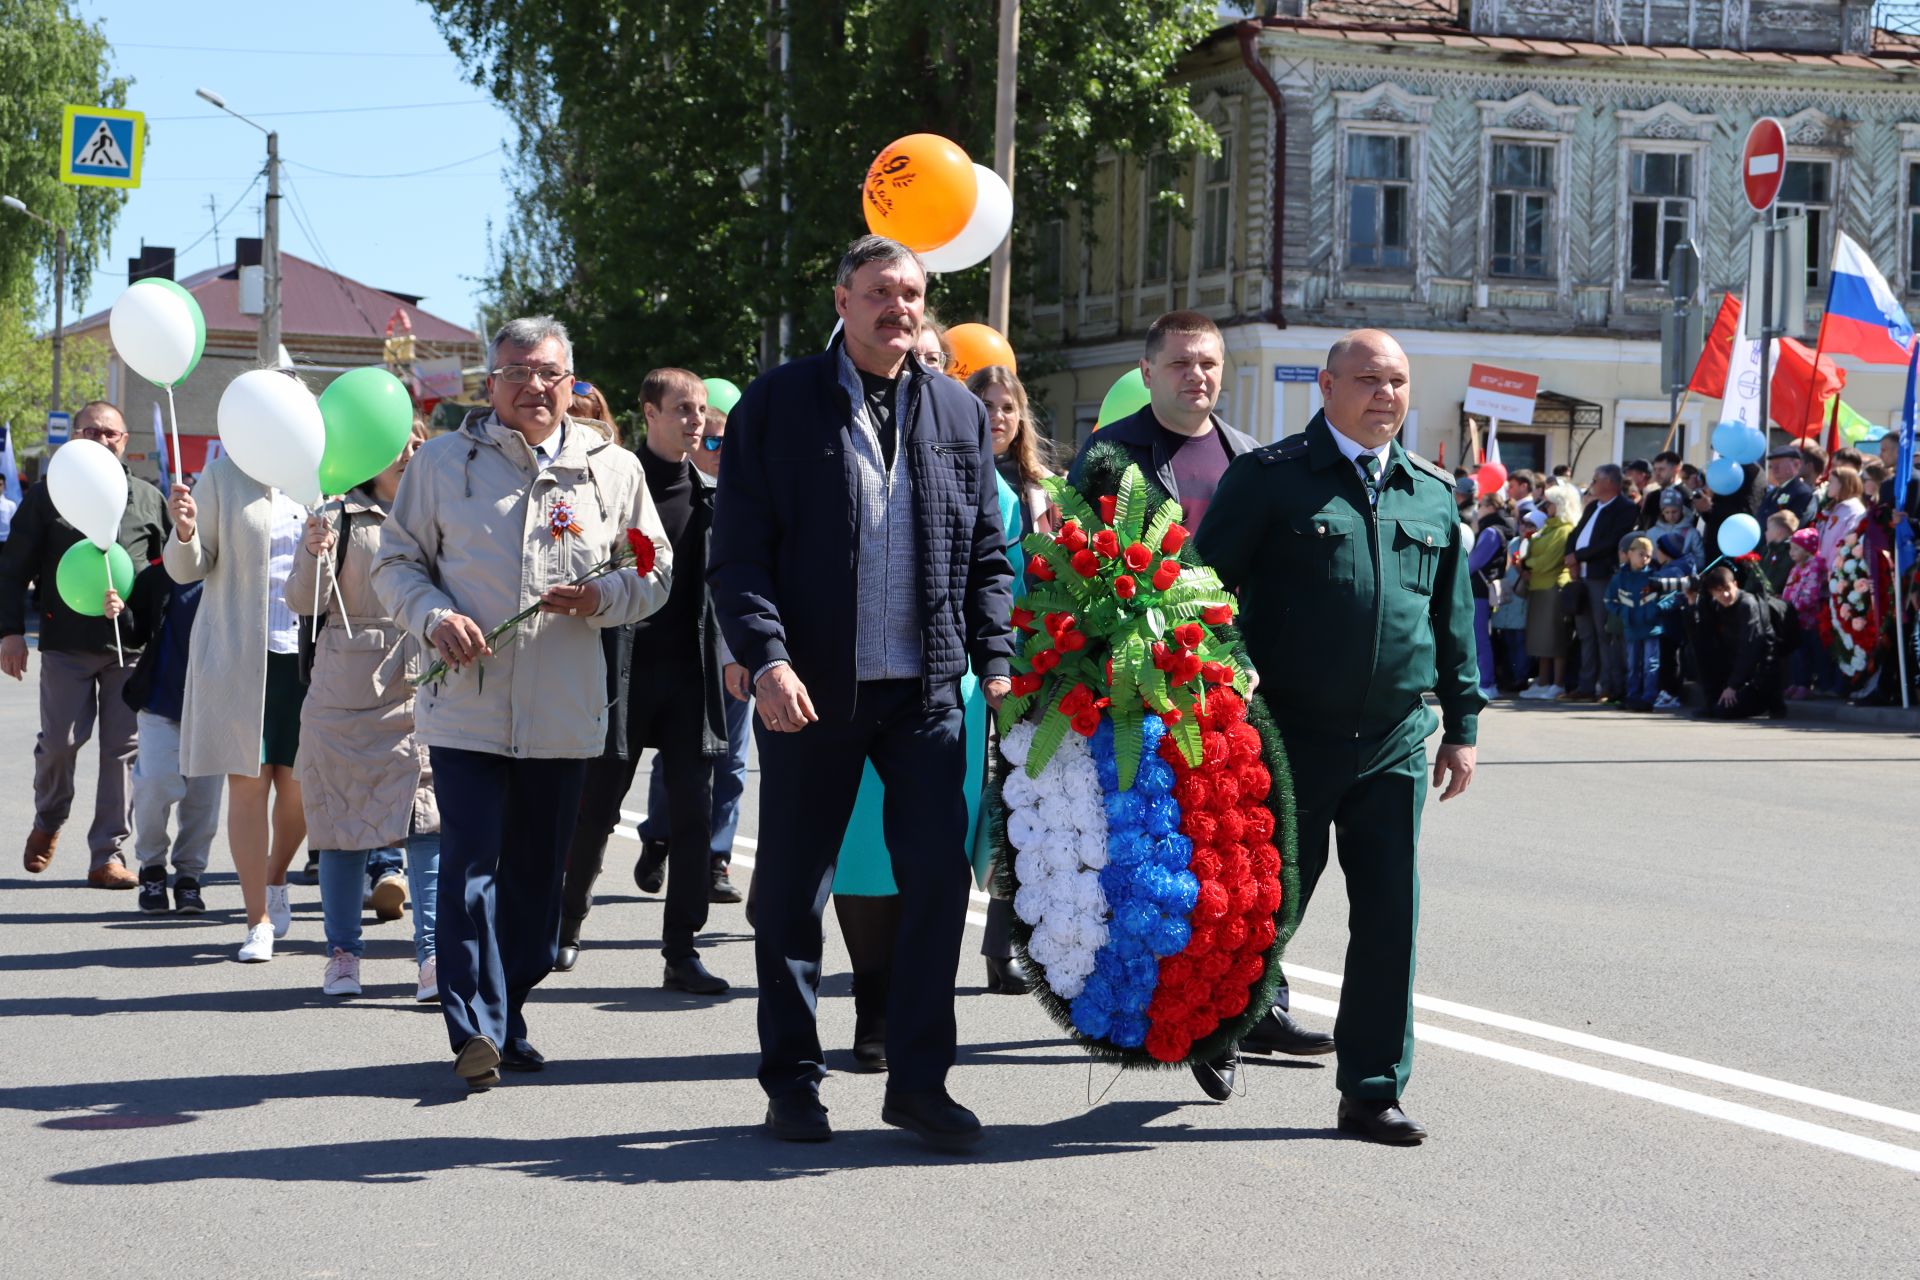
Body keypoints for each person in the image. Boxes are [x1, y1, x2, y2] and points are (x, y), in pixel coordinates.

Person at [709, 234, 1014, 1150]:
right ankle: (793, 1082)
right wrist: (766, 659)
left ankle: (919, 1083)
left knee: (935, 884)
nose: (899, 307)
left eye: (912, 293)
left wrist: (993, 658)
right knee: (793, 894)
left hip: (924, 693)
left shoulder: (956, 411)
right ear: (841, 299)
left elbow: (987, 554)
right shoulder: (779, 405)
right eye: (880, 291)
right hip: (810, 691)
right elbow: (739, 551)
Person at [1193, 328, 1482, 1144]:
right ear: (1326, 386)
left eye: (1396, 381)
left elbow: (1451, 621)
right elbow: (1201, 592)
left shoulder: (1430, 491)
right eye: (1367, 380)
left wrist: (1460, 725)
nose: (1385, 395)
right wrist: (1231, 665)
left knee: (1391, 917)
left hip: (1393, 735)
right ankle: (1218, 1019)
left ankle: (1371, 1090)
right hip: (1287, 732)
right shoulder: (1271, 479)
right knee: (1266, 902)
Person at [373, 316, 672, 1090]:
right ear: (491, 382)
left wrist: (604, 593)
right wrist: (435, 617)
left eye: (548, 373)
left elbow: (653, 570)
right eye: (517, 373)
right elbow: (396, 564)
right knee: (469, 866)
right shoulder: (442, 465)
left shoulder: (612, 469)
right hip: (467, 706)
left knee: (539, 886)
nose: (534, 387)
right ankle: (473, 1030)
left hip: (565, 711)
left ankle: (507, 1016)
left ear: (570, 381)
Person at [559, 368, 731, 994]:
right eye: (682, 408)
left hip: (689, 678)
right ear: (649, 412)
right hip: (620, 675)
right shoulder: (616, 486)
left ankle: (681, 952)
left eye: (702, 409)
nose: (695, 420)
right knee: (595, 811)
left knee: (693, 818)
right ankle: (566, 925)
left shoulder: (712, 497)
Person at [288, 419, 441, 1000]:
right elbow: (304, 602)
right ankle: (343, 956)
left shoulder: (440, 509)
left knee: (428, 826)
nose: (407, 452)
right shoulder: (337, 516)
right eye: (395, 444)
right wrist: (312, 552)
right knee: (341, 828)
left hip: (425, 685)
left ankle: (431, 960)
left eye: (415, 442)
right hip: (345, 695)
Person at [164, 395, 314, 961]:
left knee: (300, 792)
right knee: (248, 786)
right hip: (237, 654)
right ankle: (258, 921)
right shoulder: (224, 475)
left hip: (309, 657)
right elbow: (188, 570)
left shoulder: (319, 475)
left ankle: (276, 876)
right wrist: (183, 533)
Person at [0, 401, 169, 886]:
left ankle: (107, 855)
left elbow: (163, 575)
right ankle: (48, 820)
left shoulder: (146, 498)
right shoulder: (48, 497)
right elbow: (12, 569)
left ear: (125, 442)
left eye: (111, 434)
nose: (101, 440)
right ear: (74, 437)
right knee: (60, 743)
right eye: (90, 431)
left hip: (129, 648)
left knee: (123, 752)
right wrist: (10, 632)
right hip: (65, 645)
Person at [629, 377, 751, 909]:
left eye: (726, 440)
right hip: (653, 656)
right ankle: (655, 837)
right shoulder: (639, 484)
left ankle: (712, 865)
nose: (712, 444)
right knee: (653, 773)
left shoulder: (740, 495)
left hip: (729, 650)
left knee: (727, 763)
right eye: (709, 438)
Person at [1066, 310, 1260, 530]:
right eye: (1180, 363)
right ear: (1147, 373)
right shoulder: (1107, 451)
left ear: (1221, 370)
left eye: (1208, 364)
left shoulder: (1247, 456)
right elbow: (1068, 546)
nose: (1197, 375)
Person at [115, 559, 221, 913]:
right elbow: (134, 633)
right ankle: (152, 868)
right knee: (156, 783)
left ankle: (189, 878)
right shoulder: (159, 573)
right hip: (160, 703)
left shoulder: (232, 570)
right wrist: (118, 613)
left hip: (214, 707)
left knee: (202, 802)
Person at [1565, 464, 1637, 704]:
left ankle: (1608, 686)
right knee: (1585, 633)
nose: (1592, 483)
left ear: (1609, 483)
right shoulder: (1594, 506)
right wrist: (1570, 558)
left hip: (1601, 576)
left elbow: (1611, 542)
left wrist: (1579, 556)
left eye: (1596, 479)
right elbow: (1575, 535)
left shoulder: (1625, 508)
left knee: (1603, 633)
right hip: (1582, 576)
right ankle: (1586, 685)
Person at [1689, 564, 1784, 720]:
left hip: (1758, 675)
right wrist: (1692, 604)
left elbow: (1750, 648)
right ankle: (1712, 701)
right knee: (1704, 650)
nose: (1725, 594)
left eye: (1727, 588)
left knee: (1723, 711)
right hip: (1736, 669)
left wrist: (1733, 686)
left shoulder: (1748, 605)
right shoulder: (1716, 605)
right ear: (1712, 593)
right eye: (1718, 591)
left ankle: (1770, 703)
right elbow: (1700, 635)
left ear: (1735, 584)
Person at [1603, 536, 1671, 712]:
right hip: (1631, 627)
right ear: (1630, 554)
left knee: (1651, 663)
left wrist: (1657, 608)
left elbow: (1670, 599)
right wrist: (1622, 612)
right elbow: (1609, 600)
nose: (1645, 559)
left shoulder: (1654, 578)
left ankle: (1649, 698)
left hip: (1651, 628)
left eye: (1648, 556)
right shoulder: (1620, 578)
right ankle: (1632, 696)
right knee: (1633, 664)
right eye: (1641, 554)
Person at [1518, 500, 1572, 699]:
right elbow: (1529, 550)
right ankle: (1542, 681)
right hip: (1538, 586)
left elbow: (1549, 560)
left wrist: (1527, 563)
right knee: (1541, 638)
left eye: (1552, 502)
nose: (1547, 506)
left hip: (1552, 586)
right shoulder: (1548, 528)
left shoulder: (1564, 530)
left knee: (1555, 638)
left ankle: (1557, 683)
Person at [1468, 488, 1514, 699]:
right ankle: (1485, 680)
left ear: (1490, 507)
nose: (1478, 511)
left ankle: (1486, 682)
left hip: (1479, 591)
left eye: (1481, 506)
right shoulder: (1500, 529)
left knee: (1479, 638)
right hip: (1486, 591)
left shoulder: (1491, 532)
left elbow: (1474, 562)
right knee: (1481, 637)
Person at [1781, 526, 1828, 700]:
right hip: (1794, 619)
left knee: (1806, 653)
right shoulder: (1796, 568)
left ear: (1808, 551)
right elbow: (1789, 588)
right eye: (1791, 548)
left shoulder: (1814, 567)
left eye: (1796, 549)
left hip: (1808, 620)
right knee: (1795, 652)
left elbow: (1811, 595)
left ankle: (1804, 684)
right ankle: (1795, 681)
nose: (1791, 552)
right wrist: (1783, 605)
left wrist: (1793, 607)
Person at [1765, 445, 1816, 527]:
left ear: (1796, 464)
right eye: (1771, 466)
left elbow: (1794, 525)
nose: (1774, 469)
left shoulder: (1801, 492)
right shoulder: (1772, 493)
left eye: (1778, 465)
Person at [1638, 450, 1684, 529]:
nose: (1657, 474)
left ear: (1676, 469)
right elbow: (1644, 523)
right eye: (1655, 469)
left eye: (1661, 469)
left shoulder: (1685, 495)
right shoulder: (1653, 496)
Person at [1761, 511, 1799, 596]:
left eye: (1768, 529)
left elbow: (1776, 582)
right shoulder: (1768, 550)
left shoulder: (1789, 555)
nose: (1765, 532)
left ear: (1778, 532)